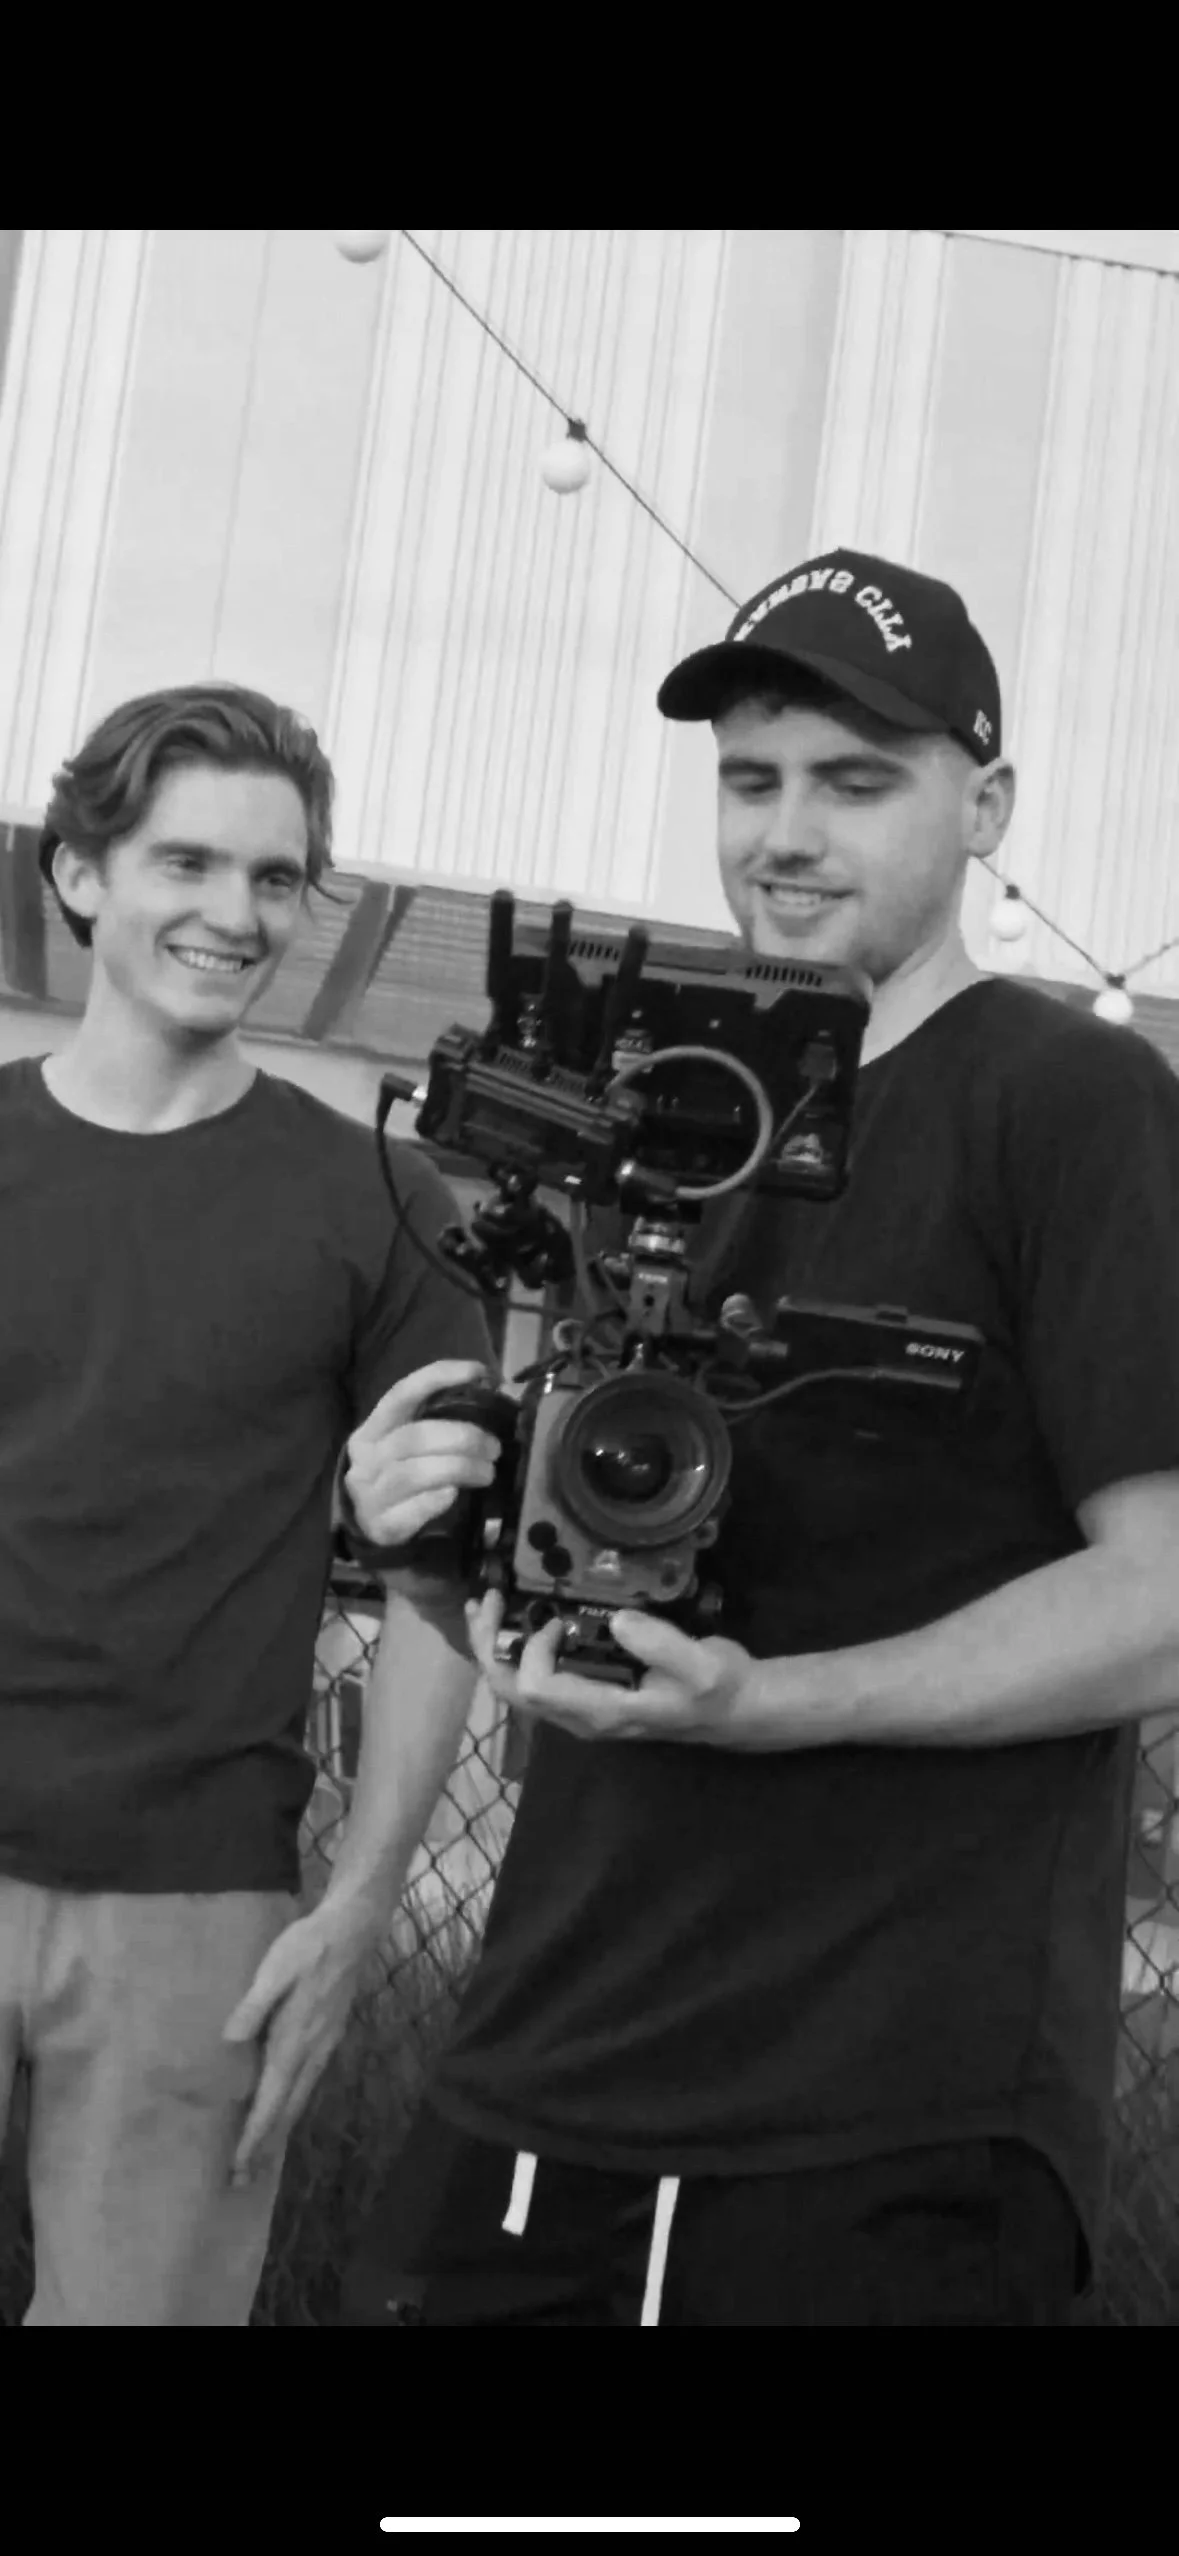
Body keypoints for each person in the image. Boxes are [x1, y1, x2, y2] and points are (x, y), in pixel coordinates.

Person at [368, 548, 1179, 2327]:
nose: (784, 833)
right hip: (541, 2067)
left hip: (878, 2109)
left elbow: (1164, 1596)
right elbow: (577, 1596)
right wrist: (429, 1543)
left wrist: (773, 1707)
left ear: (986, 807)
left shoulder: (1073, 1104)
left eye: (852, 780)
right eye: (750, 781)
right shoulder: (657, 1125)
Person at [0, 682, 503, 2326]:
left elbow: (439, 1595)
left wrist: (356, 1911)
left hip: (196, 1909)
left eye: (276, 880)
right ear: (81, 875)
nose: (234, 914)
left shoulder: (379, 1196)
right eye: (187, 863)